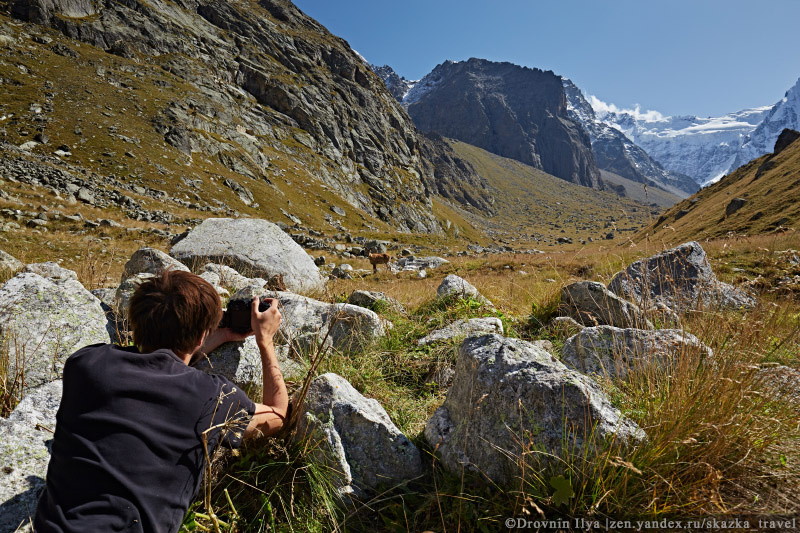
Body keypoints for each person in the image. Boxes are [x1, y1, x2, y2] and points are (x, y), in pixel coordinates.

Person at [34, 270, 288, 532]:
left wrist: (219, 336)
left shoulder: (85, 364)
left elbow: (155, 364)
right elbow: (278, 414)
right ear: (201, 337)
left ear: (136, 322)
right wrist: (265, 340)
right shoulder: (210, 396)